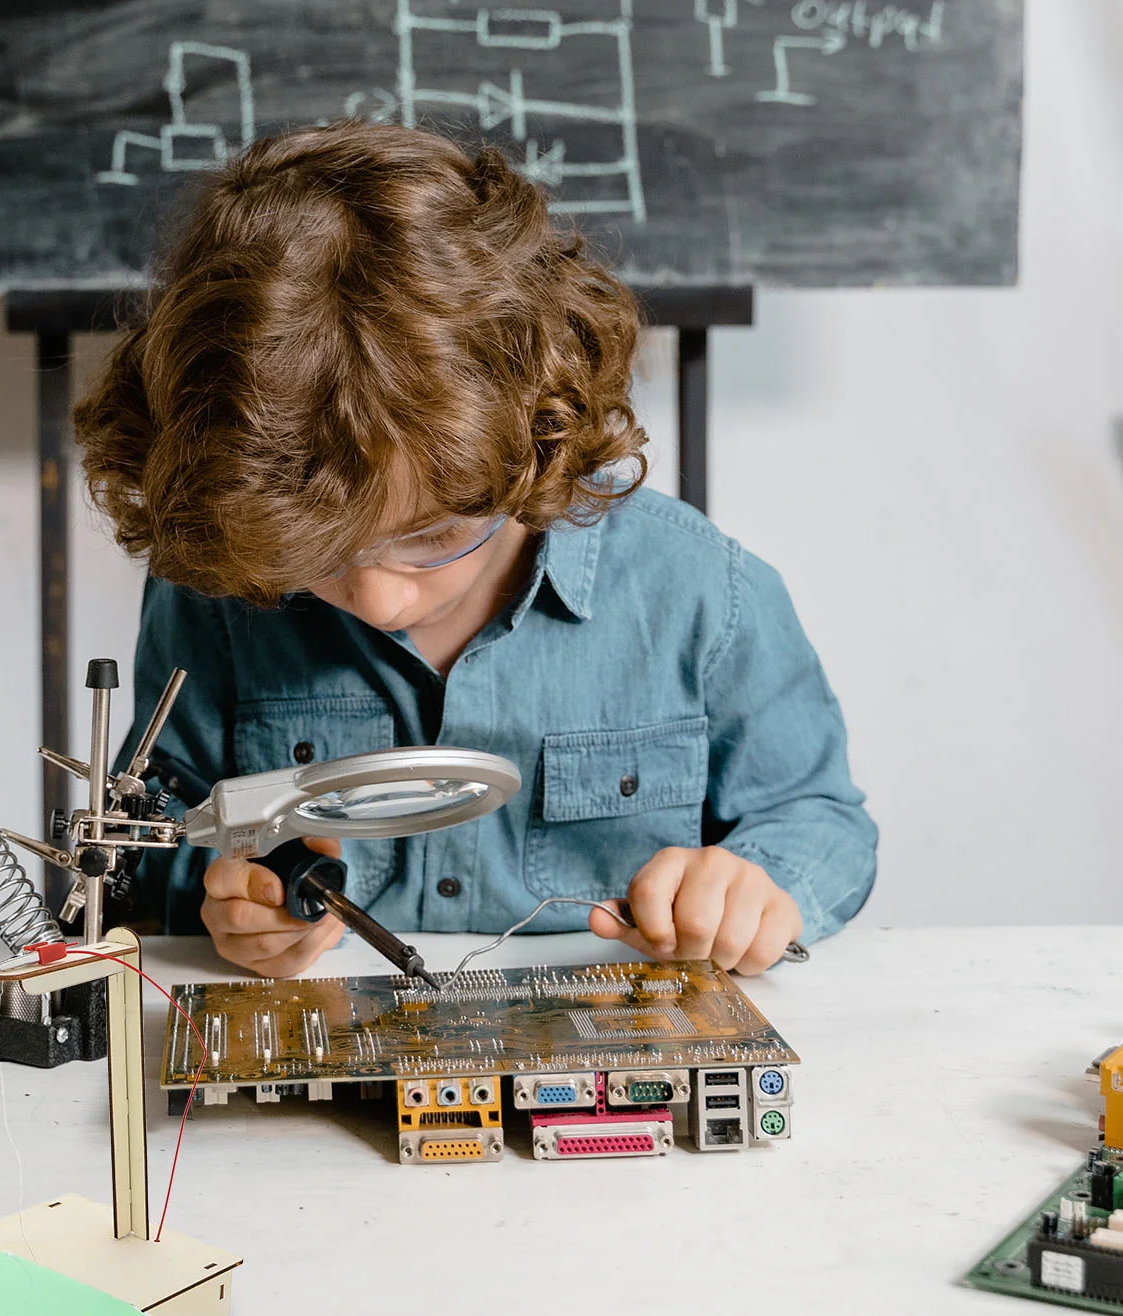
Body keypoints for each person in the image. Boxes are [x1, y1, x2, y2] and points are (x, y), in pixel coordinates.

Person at [74, 121, 876, 980]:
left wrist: (761, 888)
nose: (381, 600)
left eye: (434, 536)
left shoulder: (697, 592)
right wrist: (229, 896)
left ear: (540, 439)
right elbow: (151, 830)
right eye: (321, 554)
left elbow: (818, 817)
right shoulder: (221, 587)